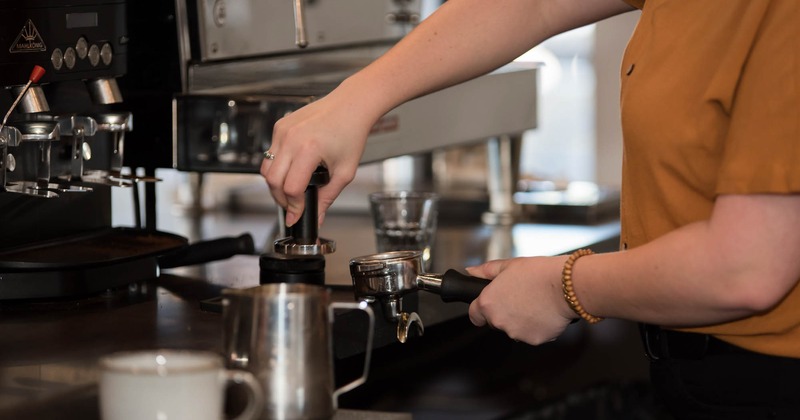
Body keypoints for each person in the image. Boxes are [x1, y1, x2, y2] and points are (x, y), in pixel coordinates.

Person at [261, 0, 800, 417]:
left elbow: (747, 268)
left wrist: (564, 287)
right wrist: (355, 100)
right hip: (692, 368)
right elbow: (533, 3)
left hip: (769, 383)